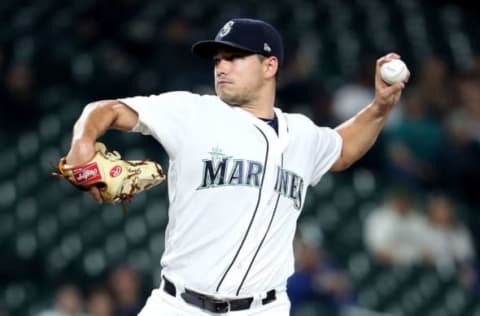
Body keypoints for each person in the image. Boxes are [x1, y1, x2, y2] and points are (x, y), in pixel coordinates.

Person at [63, 18, 407, 316]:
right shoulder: (193, 112)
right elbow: (108, 109)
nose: (221, 66)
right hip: (179, 305)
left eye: (234, 57)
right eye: (218, 59)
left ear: (269, 66)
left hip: (265, 308)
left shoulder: (302, 134)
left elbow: (344, 148)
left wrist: (379, 107)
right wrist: (83, 140)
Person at [363, 186, 431, 266]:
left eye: (405, 201)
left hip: (416, 266)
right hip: (386, 265)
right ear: (392, 200)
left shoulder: (418, 219)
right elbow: (378, 250)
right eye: (399, 201)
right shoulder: (379, 217)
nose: (402, 204)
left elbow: (427, 249)